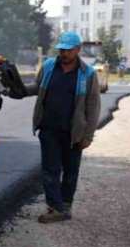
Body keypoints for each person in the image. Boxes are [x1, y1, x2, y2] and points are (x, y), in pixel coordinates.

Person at [26, 31, 102, 223]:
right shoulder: (49, 66)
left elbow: (93, 107)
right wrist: (18, 90)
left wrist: (88, 135)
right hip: (49, 129)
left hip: (73, 133)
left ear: (77, 49)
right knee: (50, 170)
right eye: (62, 49)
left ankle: (65, 205)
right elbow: (37, 87)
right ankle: (55, 207)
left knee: (70, 171)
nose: (64, 53)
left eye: (68, 50)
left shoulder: (88, 74)